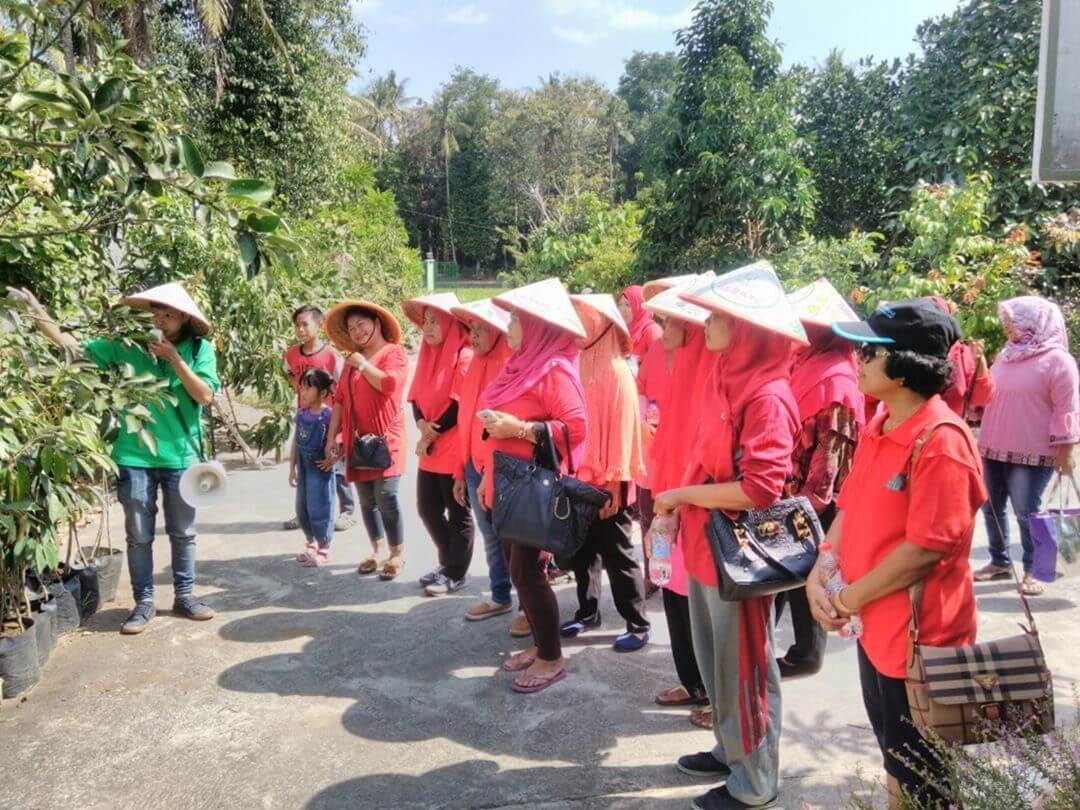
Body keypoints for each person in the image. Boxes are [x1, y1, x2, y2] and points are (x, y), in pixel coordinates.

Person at [810, 299, 986, 809]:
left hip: (921, 643)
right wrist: (823, 567)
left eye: (869, 350)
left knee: (925, 779)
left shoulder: (941, 441)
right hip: (876, 631)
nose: (857, 360)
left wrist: (845, 599)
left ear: (907, 365)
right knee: (896, 760)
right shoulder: (881, 422)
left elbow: (926, 550)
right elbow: (852, 504)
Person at [655, 263, 803, 810]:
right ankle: (728, 749)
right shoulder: (726, 377)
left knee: (745, 667)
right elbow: (703, 457)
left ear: (745, 329)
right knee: (715, 659)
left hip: (740, 554)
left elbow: (760, 489)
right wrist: (675, 502)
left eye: (718, 316)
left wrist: (683, 496)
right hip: (706, 546)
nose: (707, 323)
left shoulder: (767, 394)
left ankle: (755, 782)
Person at [11, 283, 220, 635]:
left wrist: (174, 359)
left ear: (183, 316)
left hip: (181, 457)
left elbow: (204, 395)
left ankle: (185, 596)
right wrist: (35, 309)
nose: (160, 320)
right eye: (155, 312)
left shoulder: (200, 348)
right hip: (133, 455)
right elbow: (72, 348)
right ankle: (144, 602)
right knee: (138, 536)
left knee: (183, 533)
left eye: (167, 314)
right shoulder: (126, 348)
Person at [474, 278, 588, 694]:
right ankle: (542, 644)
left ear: (539, 325)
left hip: (532, 490)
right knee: (518, 569)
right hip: (507, 484)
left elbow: (576, 429)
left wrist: (521, 429)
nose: (510, 325)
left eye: (518, 318)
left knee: (528, 570)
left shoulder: (554, 370)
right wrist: (488, 471)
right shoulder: (518, 365)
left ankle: (552, 656)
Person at [775, 280, 865, 678]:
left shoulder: (835, 381)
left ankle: (807, 654)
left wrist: (801, 506)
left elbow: (829, 459)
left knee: (806, 574)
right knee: (793, 578)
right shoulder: (808, 364)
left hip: (815, 501)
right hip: (794, 494)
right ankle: (802, 649)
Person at [641, 276, 713, 723]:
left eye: (667, 320)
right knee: (669, 585)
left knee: (696, 600)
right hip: (665, 498)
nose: (659, 328)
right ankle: (690, 680)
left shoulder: (709, 369)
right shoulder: (678, 360)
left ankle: (709, 691)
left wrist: (679, 501)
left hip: (690, 502)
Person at [560, 294, 650, 652]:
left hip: (611, 477)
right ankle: (587, 612)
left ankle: (638, 623)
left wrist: (613, 482)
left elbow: (626, 431)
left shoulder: (617, 370)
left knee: (619, 553)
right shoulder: (579, 362)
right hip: (581, 476)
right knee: (584, 552)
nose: (578, 324)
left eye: (584, 318)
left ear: (603, 323)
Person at [973, 296, 1078, 595]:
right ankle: (1000, 562)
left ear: (1034, 321)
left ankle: (1036, 569)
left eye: (1012, 320)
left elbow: (1067, 408)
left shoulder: (1058, 360)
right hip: (993, 446)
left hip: (1032, 452)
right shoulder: (1006, 355)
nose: (1007, 326)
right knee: (991, 508)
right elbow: (991, 394)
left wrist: (1067, 449)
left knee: (1027, 512)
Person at [323, 300, 409, 581]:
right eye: (351, 328)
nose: (357, 331)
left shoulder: (393, 353)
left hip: (387, 439)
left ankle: (396, 553)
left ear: (376, 322)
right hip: (356, 440)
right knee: (367, 499)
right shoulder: (350, 362)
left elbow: (389, 385)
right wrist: (332, 436)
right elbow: (339, 400)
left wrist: (362, 364)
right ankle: (376, 549)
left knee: (387, 495)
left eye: (361, 324)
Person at [449, 299, 517, 622]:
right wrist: (461, 470)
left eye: (480, 329)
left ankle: (530, 606)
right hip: (474, 465)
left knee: (515, 539)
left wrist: (490, 472)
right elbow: (466, 422)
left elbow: (507, 429)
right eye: (471, 329)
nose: (473, 336)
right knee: (490, 536)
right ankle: (500, 595)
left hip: (502, 468)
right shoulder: (474, 363)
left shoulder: (510, 363)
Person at [403, 293, 475, 596]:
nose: (428, 327)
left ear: (449, 323)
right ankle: (449, 562)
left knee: (458, 512)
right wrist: (421, 424)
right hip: (430, 444)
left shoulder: (464, 354)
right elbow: (415, 397)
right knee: (427, 509)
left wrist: (429, 433)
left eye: (435, 321)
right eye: (426, 321)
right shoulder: (427, 353)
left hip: (454, 445)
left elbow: (460, 406)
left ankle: (455, 572)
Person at [282, 304, 356, 532]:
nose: (300, 329)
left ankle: (347, 511)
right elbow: (287, 372)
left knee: (336, 465)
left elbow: (343, 387)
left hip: (329, 421)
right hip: (306, 419)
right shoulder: (292, 354)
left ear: (319, 325)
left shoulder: (331, 356)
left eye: (305, 324)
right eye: (297, 325)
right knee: (306, 463)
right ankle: (304, 511)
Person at [289, 369, 337, 567]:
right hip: (303, 466)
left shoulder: (329, 416)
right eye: (302, 387)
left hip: (319, 468)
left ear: (323, 393)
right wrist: (292, 467)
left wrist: (333, 459)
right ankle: (311, 542)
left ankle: (324, 548)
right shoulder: (302, 414)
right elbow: (295, 442)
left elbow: (338, 441)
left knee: (320, 506)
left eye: (308, 388)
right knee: (303, 507)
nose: (303, 391)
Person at [924, 296, 994, 421]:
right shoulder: (905, 350)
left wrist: (980, 362)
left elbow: (982, 397)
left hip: (947, 429)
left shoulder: (961, 353)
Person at [618, 284, 663, 369]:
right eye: (620, 304)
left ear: (640, 306)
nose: (622, 310)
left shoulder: (652, 331)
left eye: (628, 305)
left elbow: (662, 366)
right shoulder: (623, 333)